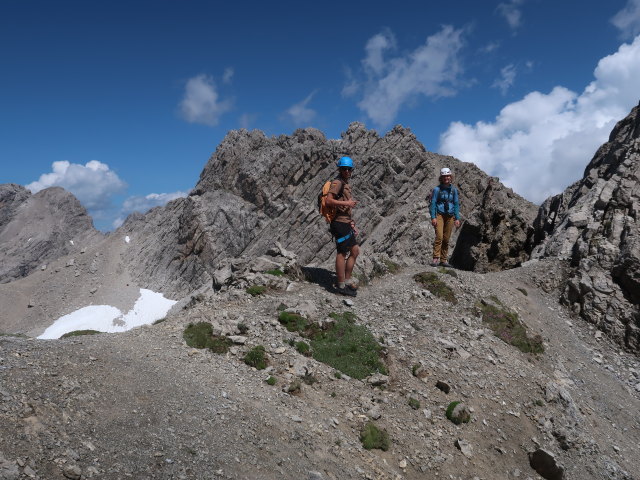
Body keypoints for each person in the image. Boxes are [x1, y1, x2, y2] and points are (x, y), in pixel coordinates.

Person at [326, 156, 360, 296]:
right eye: (344, 169)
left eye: (349, 169)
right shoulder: (337, 182)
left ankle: (346, 280)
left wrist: (351, 222)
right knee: (342, 253)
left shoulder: (345, 183)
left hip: (345, 222)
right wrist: (347, 204)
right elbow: (329, 201)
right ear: (340, 169)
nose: (346, 171)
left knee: (355, 251)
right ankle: (340, 285)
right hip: (339, 223)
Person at [430, 167, 461, 267]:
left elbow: (456, 204)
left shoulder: (454, 190)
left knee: (446, 239)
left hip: (450, 216)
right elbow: (433, 203)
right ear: (441, 178)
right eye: (444, 176)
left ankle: (443, 260)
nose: (446, 178)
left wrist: (457, 218)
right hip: (439, 214)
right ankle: (435, 259)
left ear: (450, 177)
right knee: (439, 236)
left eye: (448, 176)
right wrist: (433, 217)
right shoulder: (437, 190)